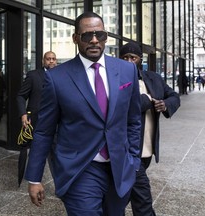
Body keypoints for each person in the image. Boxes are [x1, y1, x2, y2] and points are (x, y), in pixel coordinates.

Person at [24, 12, 141, 215]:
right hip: (80, 169)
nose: (94, 40)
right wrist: (34, 177)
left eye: (100, 35)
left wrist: (133, 159)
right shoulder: (56, 78)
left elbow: (133, 120)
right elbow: (44, 131)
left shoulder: (126, 70)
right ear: (76, 38)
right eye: (87, 35)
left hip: (119, 169)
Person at [120, 42, 180, 216]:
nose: (129, 61)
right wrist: (147, 99)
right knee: (142, 199)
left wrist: (165, 104)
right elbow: (122, 105)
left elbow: (174, 96)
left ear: (140, 59)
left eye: (133, 57)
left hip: (148, 147)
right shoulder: (115, 79)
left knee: (122, 193)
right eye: (125, 58)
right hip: (128, 150)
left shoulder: (154, 78)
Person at [16, 51, 57, 186]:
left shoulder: (61, 75)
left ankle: (60, 184)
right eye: (48, 59)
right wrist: (23, 114)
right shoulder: (33, 76)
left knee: (56, 155)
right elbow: (21, 96)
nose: (51, 61)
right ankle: (30, 181)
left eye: (53, 59)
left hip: (57, 123)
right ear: (43, 61)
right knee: (35, 154)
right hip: (36, 123)